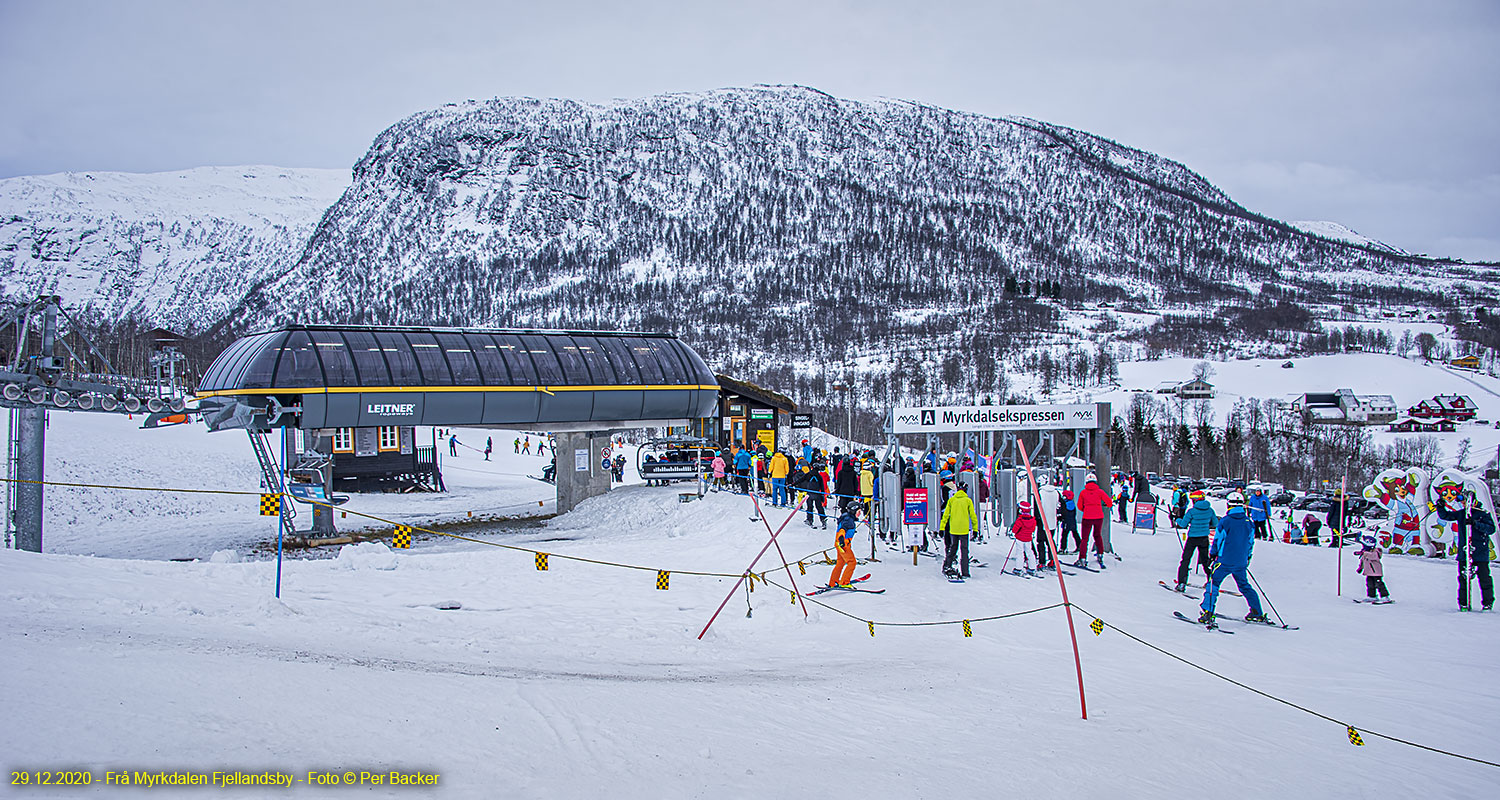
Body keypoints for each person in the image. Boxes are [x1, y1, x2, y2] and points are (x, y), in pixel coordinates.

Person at [1198, 491, 1268, 626]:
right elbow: (1250, 542)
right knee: (1244, 585)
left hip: (1224, 560)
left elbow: (1218, 540)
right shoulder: (1249, 522)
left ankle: (1208, 611)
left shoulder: (1225, 521)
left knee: (1214, 584)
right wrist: (1247, 557)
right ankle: (1257, 611)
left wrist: (1212, 554)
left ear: (1228, 505)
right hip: (1241, 561)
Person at [1433, 487, 1495, 610]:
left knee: (1484, 579)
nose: (1463, 503)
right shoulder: (1461, 513)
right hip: (1465, 553)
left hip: (1480, 552)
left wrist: (1475, 523)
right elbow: (1447, 516)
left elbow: (1490, 529)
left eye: (1465, 500)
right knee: (1463, 579)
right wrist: (1440, 506)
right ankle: (1464, 603)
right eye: (1461, 501)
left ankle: (1487, 603)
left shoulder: (1483, 513)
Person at [1173, 490, 1217, 592]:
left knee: (1185, 560)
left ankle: (1182, 583)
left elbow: (1183, 524)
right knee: (1206, 561)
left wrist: (1177, 519)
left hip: (1192, 538)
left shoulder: (1192, 511)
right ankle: (1211, 581)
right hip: (1204, 538)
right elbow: (1215, 523)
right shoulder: (1210, 510)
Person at [939, 479, 977, 579]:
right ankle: (965, 572)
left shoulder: (952, 500)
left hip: (953, 529)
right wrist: (975, 529)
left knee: (952, 548)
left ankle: (947, 565)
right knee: (964, 551)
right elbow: (973, 516)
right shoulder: (968, 501)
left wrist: (942, 528)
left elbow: (946, 515)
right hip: (964, 530)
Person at [1076, 474, 1112, 567]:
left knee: (1084, 538)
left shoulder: (1083, 492)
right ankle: (1100, 554)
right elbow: (1109, 502)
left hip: (1087, 517)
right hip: (1098, 516)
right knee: (1097, 535)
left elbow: (1080, 505)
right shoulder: (1099, 492)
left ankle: (1082, 557)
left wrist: (1086, 509)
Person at [827, 501, 862, 589]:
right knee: (852, 562)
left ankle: (833, 581)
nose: (860, 513)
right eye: (859, 511)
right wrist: (842, 540)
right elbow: (842, 530)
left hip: (839, 543)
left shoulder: (846, 517)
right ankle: (844, 582)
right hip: (843, 545)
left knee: (841, 562)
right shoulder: (849, 521)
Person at [1355, 534, 1392, 604]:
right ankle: (1372, 596)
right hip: (1368, 572)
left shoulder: (1376, 551)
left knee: (1379, 584)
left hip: (1376, 572)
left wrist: (1365, 553)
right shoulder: (1365, 553)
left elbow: (1374, 557)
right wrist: (1360, 568)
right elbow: (1362, 561)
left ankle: (1385, 596)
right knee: (1370, 584)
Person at [1011, 500, 1038, 574]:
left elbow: (1014, 529)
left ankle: (1018, 568)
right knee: (1029, 552)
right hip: (1028, 539)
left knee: (1020, 553)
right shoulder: (1032, 520)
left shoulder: (1020, 520)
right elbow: (1033, 529)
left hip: (1019, 538)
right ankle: (1032, 567)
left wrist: (1014, 532)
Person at [1057, 490, 1080, 555]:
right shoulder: (1072, 503)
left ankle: (1063, 548)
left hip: (1066, 522)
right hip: (1072, 522)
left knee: (1064, 535)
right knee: (1075, 534)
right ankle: (1079, 546)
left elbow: (1062, 512)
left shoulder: (1065, 504)